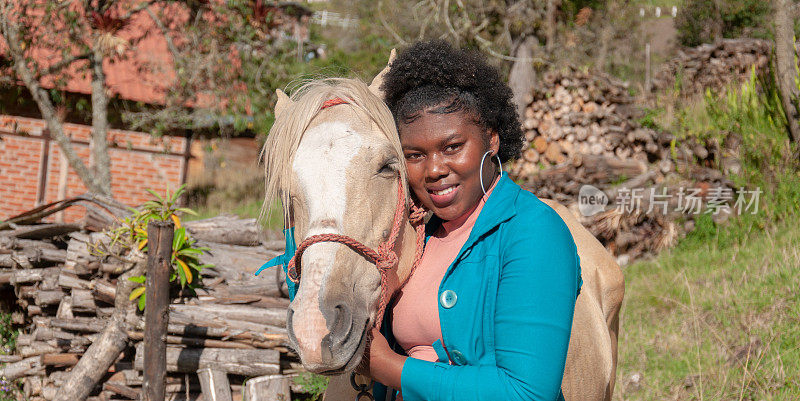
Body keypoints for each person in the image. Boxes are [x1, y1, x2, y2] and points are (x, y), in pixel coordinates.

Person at [364, 40, 583, 401]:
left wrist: (393, 369)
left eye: (452, 147)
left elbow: (527, 392)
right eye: (415, 155)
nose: (434, 170)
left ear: (492, 140)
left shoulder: (533, 232)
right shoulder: (417, 234)